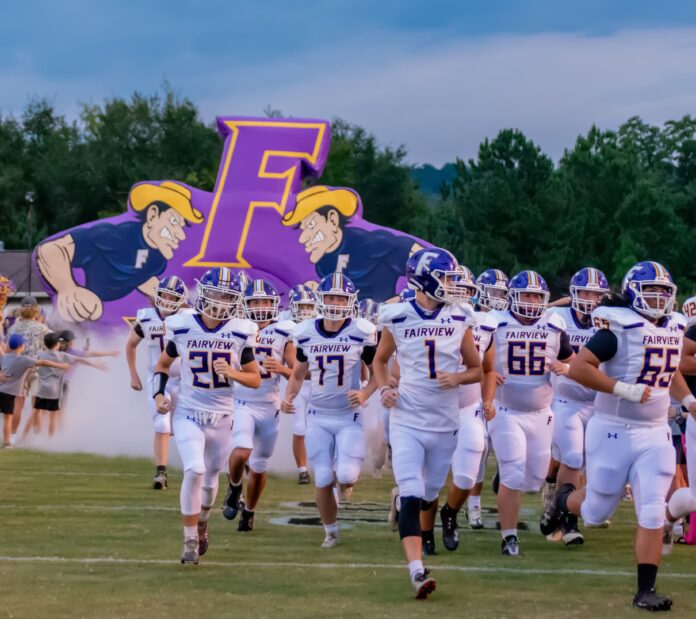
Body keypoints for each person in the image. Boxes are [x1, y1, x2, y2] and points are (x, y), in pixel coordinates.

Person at [546, 261, 692, 612]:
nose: (658, 298)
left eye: (663, 291)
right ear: (633, 293)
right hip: (613, 429)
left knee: (653, 510)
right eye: (651, 290)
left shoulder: (674, 326)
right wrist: (622, 389)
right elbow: (579, 368)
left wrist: (687, 399)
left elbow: (667, 367)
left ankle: (645, 590)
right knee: (596, 511)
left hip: (654, 432)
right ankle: (562, 501)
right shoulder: (618, 326)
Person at [374, 248, 481, 599]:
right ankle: (417, 572)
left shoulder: (460, 316)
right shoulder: (398, 315)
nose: (451, 285)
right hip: (407, 418)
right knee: (412, 493)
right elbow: (380, 361)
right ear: (424, 279)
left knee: (428, 495)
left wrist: (459, 378)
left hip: (445, 422)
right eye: (445, 278)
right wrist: (386, 388)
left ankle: (404, 504)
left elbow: (477, 369)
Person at [154, 267, 261, 565]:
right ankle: (189, 538)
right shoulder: (183, 325)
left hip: (223, 417)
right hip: (188, 412)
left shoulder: (240, 330)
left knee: (212, 475)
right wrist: (159, 394)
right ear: (202, 292)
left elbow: (255, 379)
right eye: (215, 293)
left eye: (226, 296)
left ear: (235, 299)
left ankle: (202, 522)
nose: (219, 300)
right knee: (194, 469)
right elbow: (162, 366)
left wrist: (234, 373)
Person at [281, 273, 377, 548]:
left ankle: (346, 484)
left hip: (348, 416)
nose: (335, 302)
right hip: (318, 416)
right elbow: (298, 374)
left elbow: (378, 373)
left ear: (350, 301)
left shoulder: (361, 331)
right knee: (323, 477)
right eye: (331, 297)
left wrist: (365, 393)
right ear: (321, 299)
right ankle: (330, 531)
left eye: (341, 298)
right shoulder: (306, 332)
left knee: (346, 475)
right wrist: (289, 397)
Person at [486, 270, 574, 557]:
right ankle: (509, 538)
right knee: (513, 473)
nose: (531, 301)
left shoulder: (554, 325)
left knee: (534, 481)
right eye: (526, 295)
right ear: (513, 297)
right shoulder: (496, 323)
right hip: (506, 410)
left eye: (536, 296)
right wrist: (488, 373)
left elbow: (574, 361)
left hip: (541, 412)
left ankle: (507, 477)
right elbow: (473, 357)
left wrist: (567, 368)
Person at [36, 181, 204, 322]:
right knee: (89, 311)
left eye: (182, 225)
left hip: (105, 322)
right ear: (153, 215)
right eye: (173, 221)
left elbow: (141, 276)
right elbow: (51, 249)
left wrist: (180, 304)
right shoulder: (114, 236)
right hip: (83, 316)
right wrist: (67, 288)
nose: (181, 234)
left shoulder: (157, 258)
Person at [541, 267, 608, 545]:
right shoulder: (557, 317)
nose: (591, 299)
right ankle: (569, 520)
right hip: (566, 400)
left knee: (595, 461)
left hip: (600, 403)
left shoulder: (610, 319)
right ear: (574, 293)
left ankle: (557, 501)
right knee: (572, 457)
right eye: (585, 293)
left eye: (595, 293)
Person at [222, 279, 296, 532]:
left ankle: (250, 511)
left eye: (265, 301)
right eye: (255, 302)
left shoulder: (283, 332)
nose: (261, 306)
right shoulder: (235, 328)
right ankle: (234, 488)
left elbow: (299, 372)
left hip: (269, 405)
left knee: (260, 464)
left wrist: (283, 369)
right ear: (245, 304)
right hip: (241, 400)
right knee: (242, 451)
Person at [440, 265, 498, 550]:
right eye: (454, 287)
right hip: (429, 408)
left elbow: (488, 369)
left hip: (467, 406)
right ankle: (418, 524)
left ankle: (450, 513)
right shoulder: (425, 319)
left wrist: (487, 400)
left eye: (464, 289)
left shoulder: (483, 323)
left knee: (466, 474)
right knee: (426, 482)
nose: (459, 293)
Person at [280, 186, 423, 301]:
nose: (303, 238)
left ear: (332, 219)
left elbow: (417, 253)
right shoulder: (323, 264)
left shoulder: (368, 243)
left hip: (382, 320)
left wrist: (402, 300)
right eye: (303, 228)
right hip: (350, 322)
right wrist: (318, 289)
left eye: (311, 224)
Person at [126, 275, 188, 489]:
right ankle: (161, 473)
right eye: (165, 295)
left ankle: (195, 466)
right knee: (162, 423)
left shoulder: (188, 318)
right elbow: (130, 345)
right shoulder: (146, 318)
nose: (168, 300)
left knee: (184, 425)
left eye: (173, 297)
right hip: (157, 377)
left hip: (185, 380)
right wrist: (133, 374)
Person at [21, 332, 105, 438]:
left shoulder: (41, 355)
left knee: (36, 412)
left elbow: (32, 367)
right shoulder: (62, 356)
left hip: (42, 390)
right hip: (55, 392)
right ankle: (50, 440)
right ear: (57, 344)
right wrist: (96, 365)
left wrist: (24, 381)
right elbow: (80, 359)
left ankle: (30, 436)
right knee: (53, 417)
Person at [0, 334, 70, 447]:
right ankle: (7, 443)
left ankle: (8, 442)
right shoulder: (23, 359)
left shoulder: (5, 357)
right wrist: (61, 365)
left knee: (7, 418)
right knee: (8, 418)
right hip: (8, 393)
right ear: (21, 346)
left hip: (3, 391)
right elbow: (43, 362)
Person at [287, 285, 319, 484]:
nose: (305, 310)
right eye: (301, 306)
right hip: (298, 384)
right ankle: (302, 470)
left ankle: (327, 464)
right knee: (300, 427)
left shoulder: (321, 324)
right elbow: (294, 368)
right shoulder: (286, 327)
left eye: (309, 306)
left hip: (318, 384)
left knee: (319, 425)